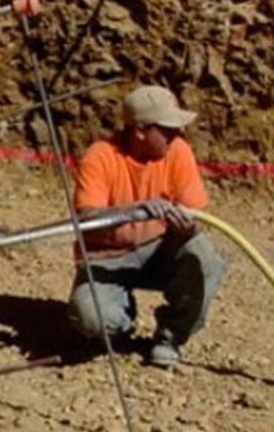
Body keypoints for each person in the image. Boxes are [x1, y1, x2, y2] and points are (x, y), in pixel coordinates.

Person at [67, 84, 227, 367]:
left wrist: (186, 227)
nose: (176, 135)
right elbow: (87, 224)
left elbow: (196, 221)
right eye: (167, 129)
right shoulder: (100, 156)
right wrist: (131, 211)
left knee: (206, 259)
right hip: (108, 258)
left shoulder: (177, 151)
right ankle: (120, 320)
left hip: (159, 250)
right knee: (91, 318)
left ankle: (170, 337)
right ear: (140, 131)